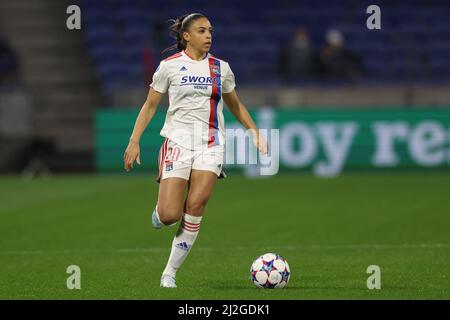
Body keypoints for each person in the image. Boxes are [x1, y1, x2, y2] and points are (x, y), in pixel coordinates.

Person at [123, 13, 268, 288]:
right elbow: (151, 105)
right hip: (177, 142)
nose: (209, 35)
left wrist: (255, 132)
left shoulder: (221, 68)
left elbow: (235, 105)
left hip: (211, 144)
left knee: (197, 204)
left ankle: (169, 273)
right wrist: (134, 140)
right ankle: (159, 212)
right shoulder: (169, 67)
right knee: (169, 216)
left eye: (210, 30)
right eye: (202, 31)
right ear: (186, 36)